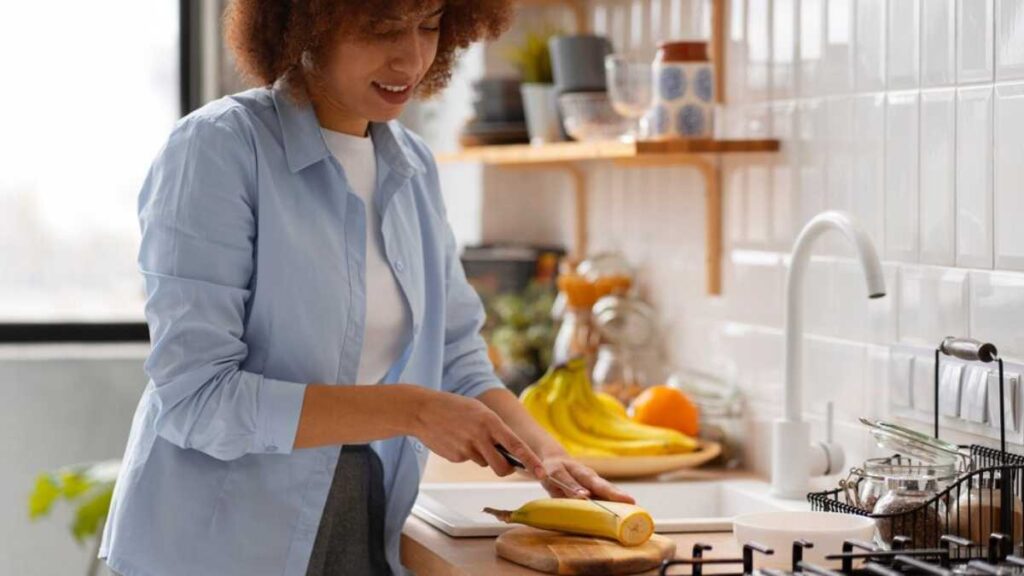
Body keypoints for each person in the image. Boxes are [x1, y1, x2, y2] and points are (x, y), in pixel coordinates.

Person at [99, 1, 634, 575]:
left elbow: (457, 355)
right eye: (381, 30)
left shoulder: (413, 166)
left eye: (430, 26)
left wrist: (549, 456)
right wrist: (411, 409)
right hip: (220, 539)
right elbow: (196, 400)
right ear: (304, 25)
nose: (412, 56)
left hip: (360, 503)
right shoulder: (219, 149)